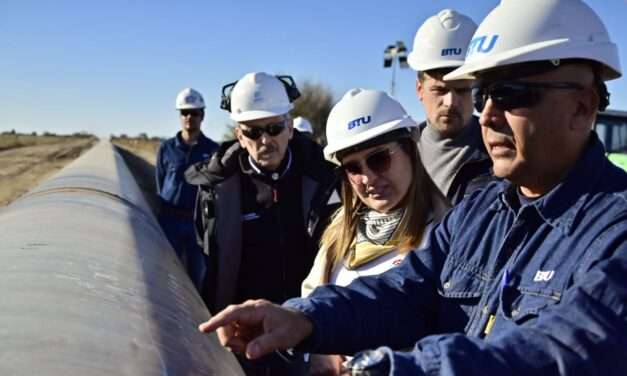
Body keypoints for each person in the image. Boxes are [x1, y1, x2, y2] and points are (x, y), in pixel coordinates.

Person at [198, 1, 627, 374]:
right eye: (483, 97)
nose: (486, 117)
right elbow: (405, 290)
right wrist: (303, 319)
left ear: (582, 106)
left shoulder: (615, 233)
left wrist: (394, 369)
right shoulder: (482, 212)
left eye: (512, 95)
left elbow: (561, 353)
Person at [185, 72, 339, 375]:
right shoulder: (217, 190)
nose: (265, 140)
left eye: (274, 128)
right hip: (243, 335)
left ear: (290, 128)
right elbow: (208, 256)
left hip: (305, 326)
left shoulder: (324, 180)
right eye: (253, 133)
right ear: (240, 137)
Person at [301, 89, 450, 375]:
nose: (368, 177)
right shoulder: (339, 231)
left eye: (379, 158)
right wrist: (321, 350)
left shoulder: (447, 233)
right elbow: (312, 296)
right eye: (353, 167)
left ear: (409, 149)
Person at [408, 9, 494, 205]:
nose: (451, 102)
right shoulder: (400, 155)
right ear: (419, 89)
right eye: (439, 90)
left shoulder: (503, 153)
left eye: (462, 90)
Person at [155, 88, 218, 291]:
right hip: (169, 220)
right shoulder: (166, 148)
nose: (189, 117)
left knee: (196, 276)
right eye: (184, 113)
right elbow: (160, 182)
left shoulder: (212, 150)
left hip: (197, 224)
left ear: (203, 116)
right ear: (180, 116)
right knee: (165, 270)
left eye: (194, 113)